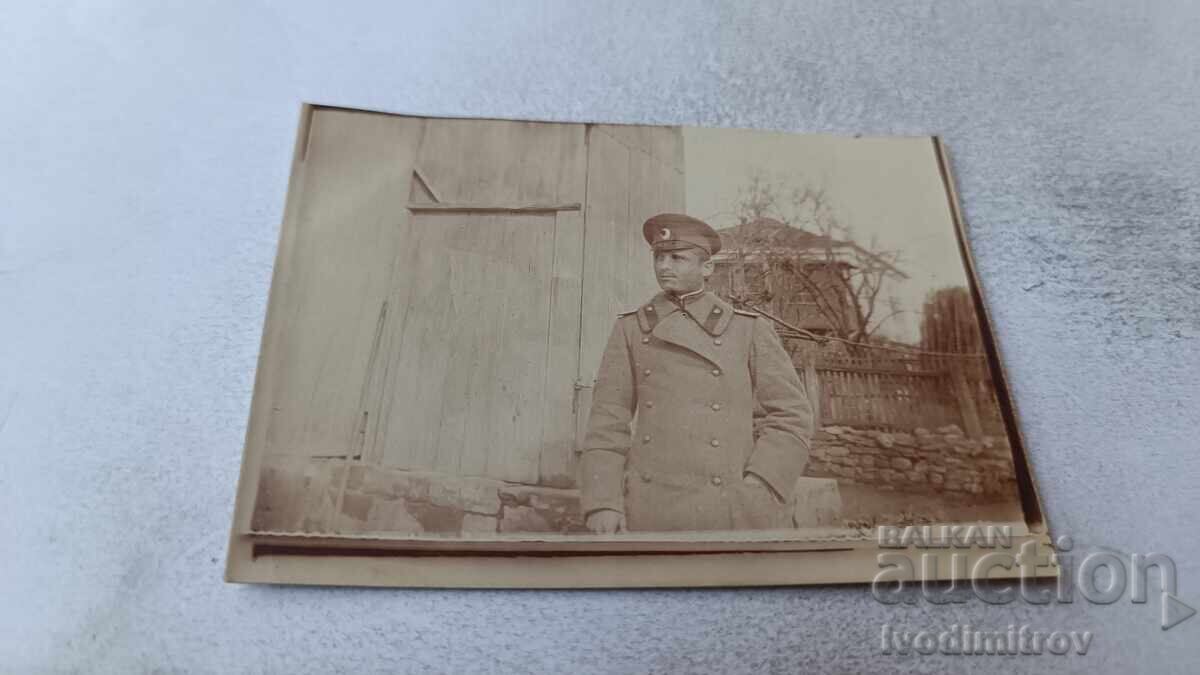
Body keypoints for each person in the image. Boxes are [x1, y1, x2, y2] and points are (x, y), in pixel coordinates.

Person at [579, 213, 815, 533]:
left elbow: (792, 415)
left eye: (677, 258)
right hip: (650, 508)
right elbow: (607, 420)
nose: (664, 266)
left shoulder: (747, 329)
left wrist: (762, 484)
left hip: (731, 507)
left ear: (707, 268)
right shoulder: (630, 329)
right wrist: (603, 502)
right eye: (660, 257)